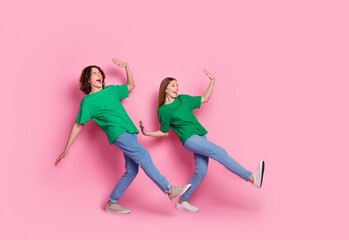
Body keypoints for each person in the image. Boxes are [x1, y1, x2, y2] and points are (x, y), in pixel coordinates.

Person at [55, 58, 191, 214]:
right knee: (143, 154)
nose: (98, 74)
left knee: (132, 170)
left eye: (99, 72)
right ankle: (169, 190)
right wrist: (66, 149)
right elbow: (78, 125)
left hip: (130, 131)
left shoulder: (111, 90)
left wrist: (126, 67)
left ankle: (111, 203)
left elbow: (131, 86)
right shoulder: (88, 101)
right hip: (118, 133)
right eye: (94, 73)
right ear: (87, 79)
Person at [139, 69, 265, 212]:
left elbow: (205, 98)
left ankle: (182, 201)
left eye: (177, 85)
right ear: (165, 88)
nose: (176, 88)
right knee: (219, 152)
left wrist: (212, 81)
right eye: (173, 85)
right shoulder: (163, 111)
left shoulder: (184, 99)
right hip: (189, 139)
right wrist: (146, 132)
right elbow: (164, 131)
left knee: (201, 172)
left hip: (200, 135)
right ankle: (251, 178)